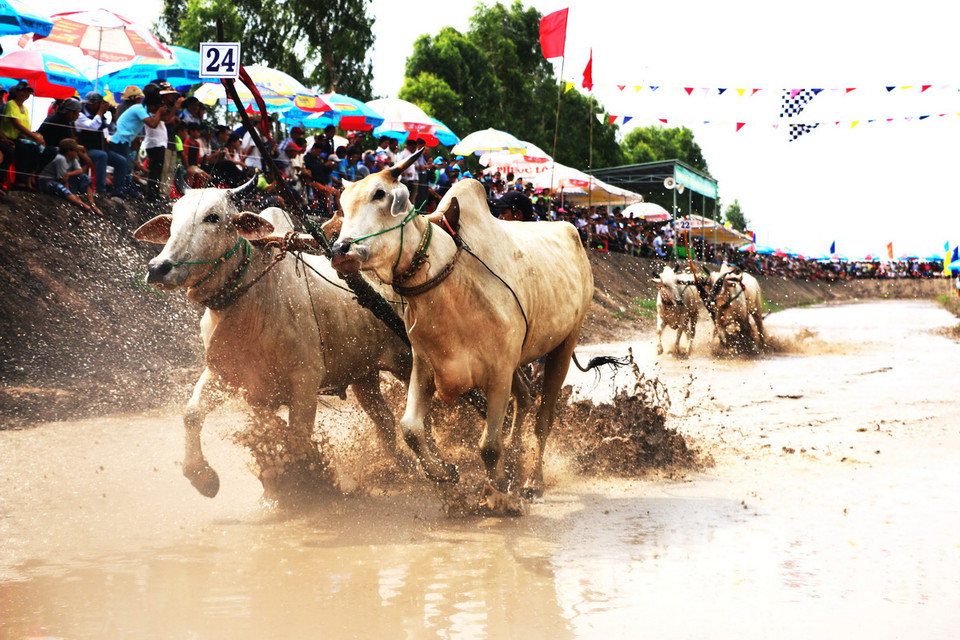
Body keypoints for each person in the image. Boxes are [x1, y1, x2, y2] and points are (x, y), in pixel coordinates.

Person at [75, 91, 131, 197]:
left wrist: (109, 116)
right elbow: (92, 126)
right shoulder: (80, 114)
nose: (101, 106)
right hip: (87, 149)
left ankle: (118, 190)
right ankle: (100, 189)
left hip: (101, 148)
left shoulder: (101, 116)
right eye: (99, 103)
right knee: (102, 156)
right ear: (91, 103)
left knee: (121, 161)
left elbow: (106, 133)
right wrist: (100, 112)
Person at [37, 138, 102, 216]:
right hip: (47, 181)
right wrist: (70, 192)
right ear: (69, 151)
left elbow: (79, 170)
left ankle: (92, 204)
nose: (77, 153)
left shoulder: (73, 159)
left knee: (84, 178)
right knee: (61, 188)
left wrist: (69, 174)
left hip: (62, 178)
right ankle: (83, 205)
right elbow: (63, 180)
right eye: (76, 151)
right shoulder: (60, 159)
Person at [2, 81, 45, 190]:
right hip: (9, 137)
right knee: (25, 149)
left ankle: (28, 180)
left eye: (28, 92)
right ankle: (19, 181)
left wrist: (36, 137)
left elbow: (25, 127)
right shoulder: (11, 105)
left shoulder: (24, 109)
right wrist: (34, 137)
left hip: (20, 138)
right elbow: (16, 124)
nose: (25, 94)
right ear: (17, 92)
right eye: (23, 91)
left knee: (37, 150)